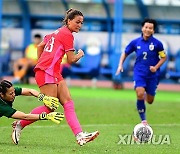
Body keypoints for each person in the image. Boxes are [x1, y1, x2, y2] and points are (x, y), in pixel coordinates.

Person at [12, 8, 99, 146]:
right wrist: (80, 54)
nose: (79, 25)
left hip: (53, 72)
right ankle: (20, 124)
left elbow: (40, 47)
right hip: (46, 72)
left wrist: (41, 62)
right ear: (69, 21)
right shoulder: (68, 35)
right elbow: (71, 60)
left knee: (68, 102)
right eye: (77, 22)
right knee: (50, 107)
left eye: (81, 23)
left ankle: (80, 136)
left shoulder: (56, 32)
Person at [116, 18, 167, 125]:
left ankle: (150, 91)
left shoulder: (158, 44)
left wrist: (156, 67)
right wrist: (120, 65)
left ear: (153, 30)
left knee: (150, 101)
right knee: (139, 93)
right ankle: (143, 120)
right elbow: (125, 53)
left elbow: (163, 57)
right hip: (139, 72)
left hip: (153, 74)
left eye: (150, 28)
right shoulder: (135, 42)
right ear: (142, 28)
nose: (148, 30)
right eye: (146, 27)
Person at [0, 80, 64, 144]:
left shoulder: (9, 91)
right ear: (2, 95)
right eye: (11, 94)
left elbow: (30, 91)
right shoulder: (2, 106)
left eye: (14, 92)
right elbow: (25, 116)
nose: (14, 95)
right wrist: (45, 116)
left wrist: (43, 97)